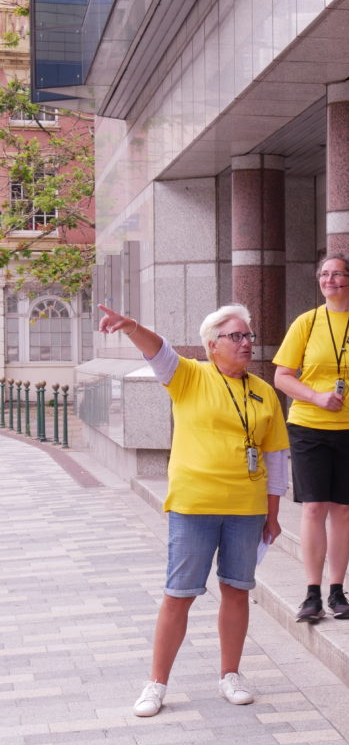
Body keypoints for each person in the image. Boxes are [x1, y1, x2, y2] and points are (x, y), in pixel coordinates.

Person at [98, 303, 289, 718]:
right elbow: (158, 351)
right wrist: (132, 327)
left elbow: (275, 459)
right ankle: (156, 683)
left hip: (246, 509)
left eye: (248, 336)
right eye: (236, 336)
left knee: (237, 590)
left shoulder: (264, 391)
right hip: (194, 505)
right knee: (178, 594)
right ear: (211, 345)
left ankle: (231, 674)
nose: (246, 343)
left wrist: (273, 515)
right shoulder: (189, 376)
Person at [274, 255, 349, 622]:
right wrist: (316, 397)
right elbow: (282, 376)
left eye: (337, 274)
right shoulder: (306, 323)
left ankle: (337, 591)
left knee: (343, 510)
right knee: (314, 507)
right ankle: (311, 594)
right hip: (309, 426)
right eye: (324, 274)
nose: (329, 280)